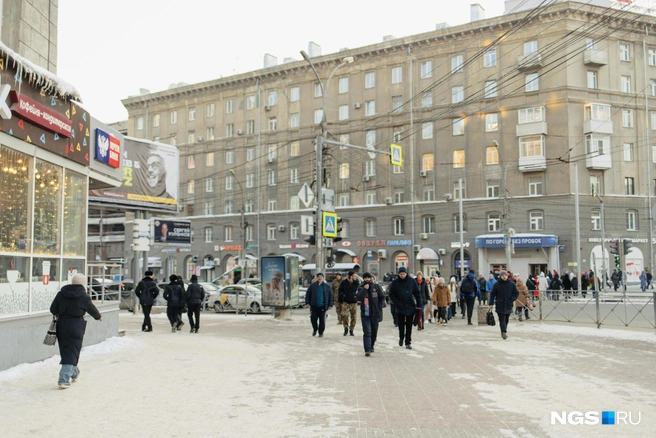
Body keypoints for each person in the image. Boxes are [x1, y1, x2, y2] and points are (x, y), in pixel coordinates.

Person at [49, 273, 102, 389]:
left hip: (61, 325)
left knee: (66, 350)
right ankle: (63, 379)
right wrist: (99, 317)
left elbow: (53, 309)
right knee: (72, 351)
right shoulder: (84, 297)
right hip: (76, 326)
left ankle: (74, 372)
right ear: (83, 284)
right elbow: (92, 310)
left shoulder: (61, 294)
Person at [388, 267, 421, 349]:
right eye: (401, 274)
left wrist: (419, 304)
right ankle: (401, 337)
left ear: (406, 274)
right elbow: (391, 294)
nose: (402, 275)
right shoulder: (395, 282)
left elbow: (417, 293)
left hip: (410, 306)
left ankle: (408, 342)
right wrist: (397, 303)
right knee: (401, 325)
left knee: (409, 325)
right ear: (398, 274)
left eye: (403, 274)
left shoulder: (412, 281)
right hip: (400, 307)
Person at [357, 272, 385, 356]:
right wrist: (364, 289)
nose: (367, 279)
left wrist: (379, 307)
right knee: (367, 332)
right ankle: (367, 350)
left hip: (375, 314)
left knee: (374, 332)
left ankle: (372, 345)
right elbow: (358, 298)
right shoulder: (360, 287)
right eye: (365, 278)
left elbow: (382, 297)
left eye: (368, 278)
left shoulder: (376, 287)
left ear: (371, 278)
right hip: (365, 314)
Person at [489, 270, 519, 340]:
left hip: (508, 304)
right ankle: (503, 332)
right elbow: (492, 294)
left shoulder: (511, 284)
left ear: (507, 276)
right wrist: (491, 303)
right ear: (500, 276)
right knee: (501, 318)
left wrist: (512, 299)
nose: (504, 277)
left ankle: (504, 330)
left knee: (506, 319)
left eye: (505, 275)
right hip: (500, 304)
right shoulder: (497, 284)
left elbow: (516, 293)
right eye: (502, 275)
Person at [305, 272, 333, 337]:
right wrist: (307, 303)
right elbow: (308, 294)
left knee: (322, 321)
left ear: (323, 278)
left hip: (323, 306)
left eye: (321, 277)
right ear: (316, 278)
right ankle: (315, 329)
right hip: (314, 306)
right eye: (318, 277)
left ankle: (321, 332)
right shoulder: (313, 285)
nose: (320, 278)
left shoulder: (327, 286)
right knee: (313, 318)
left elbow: (330, 296)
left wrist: (330, 305)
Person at [338, 270, 359, 336]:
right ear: (351, 276)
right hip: (346, 302)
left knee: (354, 317)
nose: (356, 277)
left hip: (353, 302)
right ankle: (346, 328)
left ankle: (352, 329)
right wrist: (341, 298)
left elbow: (359, 290)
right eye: (355, 276)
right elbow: (340, 291)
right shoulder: (344, 282)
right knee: (345, 315)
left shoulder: (356, 282)